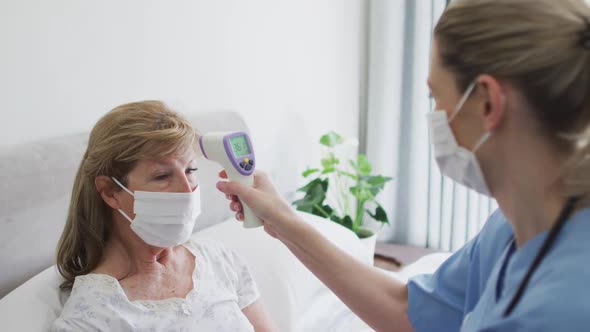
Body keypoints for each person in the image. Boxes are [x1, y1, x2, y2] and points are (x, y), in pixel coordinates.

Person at [216, 0, 590, 331]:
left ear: (488, 103)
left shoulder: (561, 310)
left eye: (436, 96)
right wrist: (283, 221)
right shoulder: (514, 226)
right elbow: (413, 312)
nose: (436, 116)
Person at [51, 101, 276, 331]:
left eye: (190, 170)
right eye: (162, 176)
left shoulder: (218, 260)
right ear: (110, 191)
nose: (187, 189)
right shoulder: (90, 317)